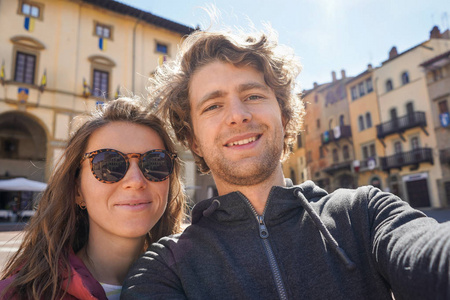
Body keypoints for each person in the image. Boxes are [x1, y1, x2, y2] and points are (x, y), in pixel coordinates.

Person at [121, 28, 450, 300]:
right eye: (212, 106)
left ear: (284, 114)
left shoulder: (363, 213)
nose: (238, 115)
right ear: (193, 141)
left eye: (253, 96)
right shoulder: (165, 267)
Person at [0, 97, 186, 299]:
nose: (135, 180)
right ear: (77, 190)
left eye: (155, 163)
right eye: (109, 165)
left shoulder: (199, 282)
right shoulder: (19, 294)